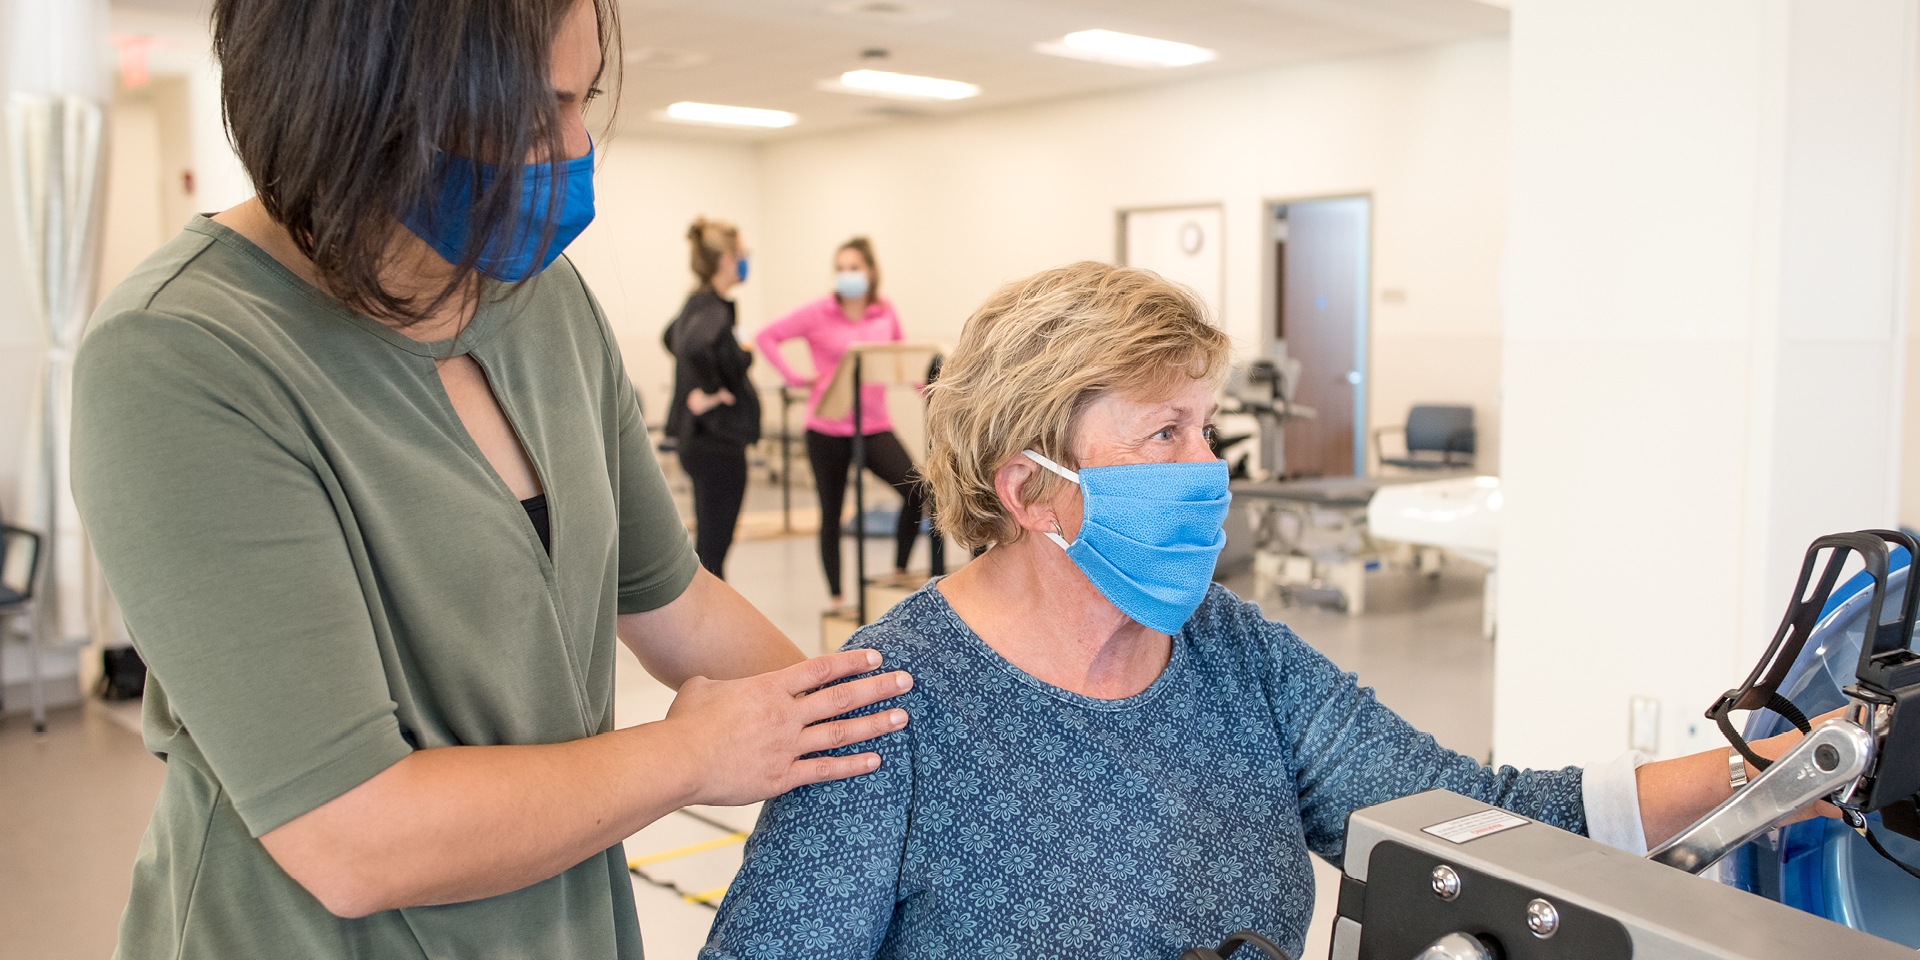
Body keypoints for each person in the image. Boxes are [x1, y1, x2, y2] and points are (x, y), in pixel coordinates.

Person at [69, 3, 909, 958]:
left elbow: (675, 604)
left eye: (582, 100)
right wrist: (690, 755)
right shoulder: (184, 355)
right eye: (534, 107)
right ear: (361, 98)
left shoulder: (535, 298)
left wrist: (884, 739)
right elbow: (353, 836)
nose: (572, 145)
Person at [702, 262, 1834, 959]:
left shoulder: (1235, 655)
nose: (1211, 470)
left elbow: (1482, 820)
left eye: (1207, 429)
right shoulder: (884, 706)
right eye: (1164, 435)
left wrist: (1789, 770)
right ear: (1031, 487)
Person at [755, 237, 925, 610]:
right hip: (827, 428)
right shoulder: (818, 312)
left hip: (874, 425)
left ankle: (898, 573)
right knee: (831, 512)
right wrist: (794, 376)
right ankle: (837, 598)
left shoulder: (884, 311)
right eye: (841, 268)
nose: (847, 275)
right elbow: (766, 337)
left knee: (917, 491)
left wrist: (929, 393)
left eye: (854, 267)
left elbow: (901, 359)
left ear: (871, 272)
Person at [664, 217, 760, 578]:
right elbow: (692, 345)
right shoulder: (714, 309)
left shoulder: (697, 303)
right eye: (741, 254)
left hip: (702, 441)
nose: (744, 260)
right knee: (713, 549)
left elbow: (669, 337)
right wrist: (709, 391)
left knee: (710, 545)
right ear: (725, 260)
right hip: (716, 442)